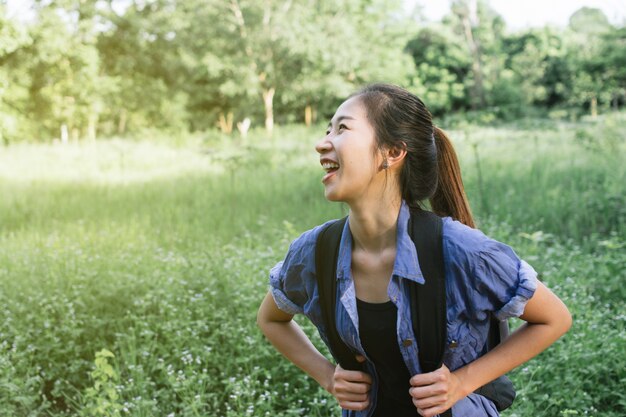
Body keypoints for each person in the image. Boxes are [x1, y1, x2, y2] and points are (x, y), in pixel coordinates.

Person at [256, 83, 571, 417]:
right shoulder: (315, 251)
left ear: (393, 153)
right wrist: (327, 377)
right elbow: (271, 319)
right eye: (327, 130)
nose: (322, 143)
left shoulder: (461, 249)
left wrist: (461, 383)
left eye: (342, 128)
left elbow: (554, 318)